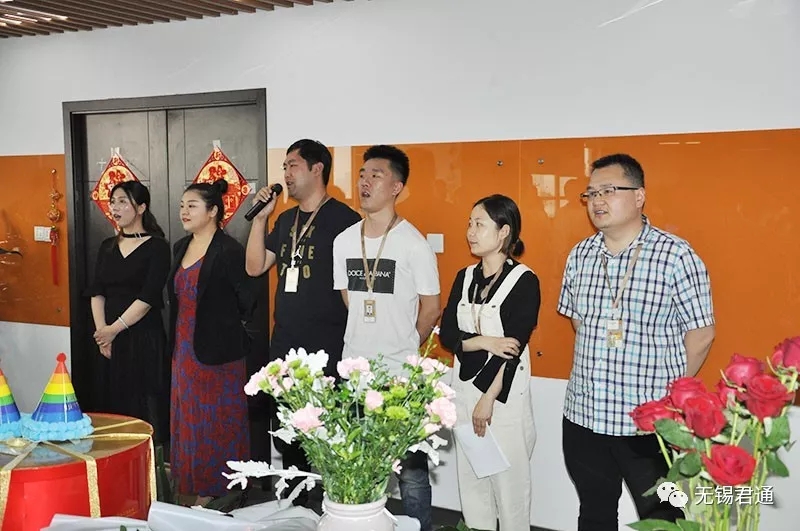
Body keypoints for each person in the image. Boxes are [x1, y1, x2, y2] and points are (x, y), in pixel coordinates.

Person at [557, 153, 716, 530]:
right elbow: (580, 323)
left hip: (648, 425)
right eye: (591, 193)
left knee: (663, 517)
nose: (597, 200)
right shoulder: (580, 255)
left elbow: (701, 335)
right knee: (594, 513)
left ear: (639, 196)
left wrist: (668, 399)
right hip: (584, 416)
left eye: (609, 190)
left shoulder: (675, 256)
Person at [245, 139, 360, 502]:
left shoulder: (345, 221)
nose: (286, 174)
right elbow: (254, 266)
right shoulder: (285, 219)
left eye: (293, 166)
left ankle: (334, 511)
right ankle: (295, 511)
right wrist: (260, 218)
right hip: (285, 347)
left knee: (327, 440)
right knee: (289, 438)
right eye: (284, 167)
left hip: (328, 348)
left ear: (317, 169)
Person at [332, 145, 440, 531]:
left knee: (411, 472)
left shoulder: (413, 244)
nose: (364, 181)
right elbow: (349, 298)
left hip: (399, 376)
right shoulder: (344, 241)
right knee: (356, 464)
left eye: (376, 175)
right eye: (362, 174)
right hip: (355, 371)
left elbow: (431, 307)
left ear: (397, 187)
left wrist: (404, 344)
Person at [439, 194, 540, 531]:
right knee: (472, 484)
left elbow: (513, 348)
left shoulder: (524, 281)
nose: (470, 231)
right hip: (464, 390)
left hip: (502, 398)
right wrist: (484, 342)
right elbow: (447, 335)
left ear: (503, 232)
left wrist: (488, 399)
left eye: (480, 224)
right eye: (469, 223)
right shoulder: (464, 277)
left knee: (510, 489)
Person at [168, 179, 255, 507]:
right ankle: (191, 485)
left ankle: (218, 491)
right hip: (184, 347)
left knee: (217, 421)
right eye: (182, 206)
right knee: (189, 419)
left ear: (213, 211)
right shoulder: (180, 247)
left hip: (219, 352)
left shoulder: (229, 250)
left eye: (192, 206)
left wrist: (225, 325)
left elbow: (248, 301)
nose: (184, 212)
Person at [89, 181, 171, 445]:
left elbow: (147, 298)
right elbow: (96, 291)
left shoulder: (157, 246)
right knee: (110, 404)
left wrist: (113, 330)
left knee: (144, 403)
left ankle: (149, 463)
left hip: (142, 336)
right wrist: (102, 333)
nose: (115, 207)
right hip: (108, 339)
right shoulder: (107, 246)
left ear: (141, 207)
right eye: (113, 202)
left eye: (123, 201)